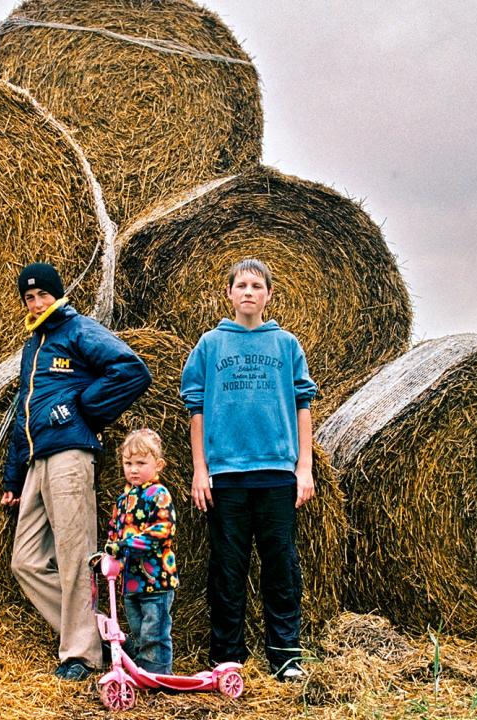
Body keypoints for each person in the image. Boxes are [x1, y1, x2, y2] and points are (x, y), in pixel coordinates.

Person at [0, 262, 151, 681]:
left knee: (74, 556)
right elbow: (22, 413)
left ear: (57, 294)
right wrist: (12, 479)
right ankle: (94, 633)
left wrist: (82, 409)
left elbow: (131, 370)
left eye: (42, 294)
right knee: (25, 561)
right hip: (36, 460)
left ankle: (82, 656)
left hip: (69, 453)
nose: (36, 302)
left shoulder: (77, 328)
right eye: (28, 298)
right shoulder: (34, 344)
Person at [179, 258, 319, 681]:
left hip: (277, 472)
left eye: (257, 286)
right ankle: (227, 656)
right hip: (226, 476)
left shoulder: (286, 345)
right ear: (229, 293)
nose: (248, 292)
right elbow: (196, 409)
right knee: (227, 567)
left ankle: (286, 656)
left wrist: (304, 468)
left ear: (268, 295)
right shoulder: (210, 345)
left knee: (280, 567)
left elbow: (303, 406)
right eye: (241, 285)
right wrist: (200, 470)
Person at [104, 428, 179, 675]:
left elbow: (162, 531)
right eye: (128, 463)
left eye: (140, 463)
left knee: (153, 631)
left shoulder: (158, 494)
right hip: (131, 582)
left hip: (156, 580)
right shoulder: (123, 500)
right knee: (137, 630)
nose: (133, 469)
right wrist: (108, 552)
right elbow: (114, 532)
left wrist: (124, 546)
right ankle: (140, 671)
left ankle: (157, 673)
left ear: (158, 465)